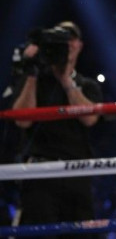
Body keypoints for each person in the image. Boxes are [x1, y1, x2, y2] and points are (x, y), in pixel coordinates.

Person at [10, 21, 102, 236]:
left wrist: (65, 79)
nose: (66, 43)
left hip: (77, 173)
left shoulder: (87, 85)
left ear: (79, 45)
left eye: (70, 37)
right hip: (40, 175)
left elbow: (90, 119)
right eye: (60, 38)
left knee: (81, 233)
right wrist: (32, 72)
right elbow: (22, 120)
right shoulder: (34, 81)